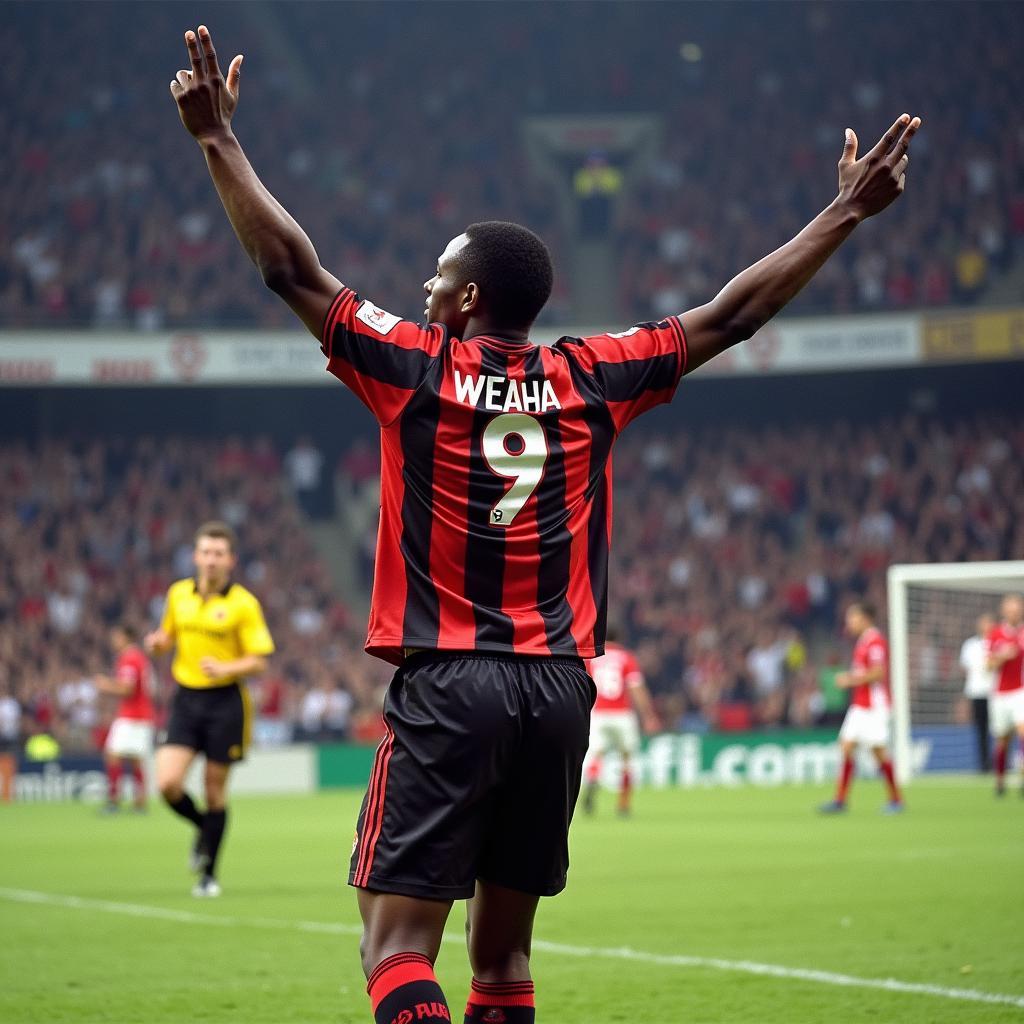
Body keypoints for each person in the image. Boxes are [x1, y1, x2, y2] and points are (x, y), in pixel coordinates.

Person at [169, 24, 919, 1021]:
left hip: (449, 680)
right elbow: (732, 313)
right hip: (561, 691)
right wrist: (842, 212)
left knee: (392, 947)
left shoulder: (415, 365)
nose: (426, 288)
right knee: (505, 960)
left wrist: (218, 142)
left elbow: (291, 271)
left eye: (438, 275)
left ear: (469, 295)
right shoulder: (592, 376)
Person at [144, 520, 274, 898]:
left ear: (231, 560)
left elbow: (260, 660)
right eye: (205, 552)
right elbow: (167, 637)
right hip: (186, 699)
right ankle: (204, 828)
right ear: (195, 556)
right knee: (167, 783)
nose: (211, 560)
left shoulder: (243, 604)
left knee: (214, 791)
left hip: (225, 702)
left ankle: (209, 875)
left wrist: (226, 667)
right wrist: (157, 644)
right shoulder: (178, 594)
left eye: (219, 553)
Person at [820, 601, 904, 814]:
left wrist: (850, 680)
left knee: (879, 752)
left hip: (874, 706)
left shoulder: (875, 641)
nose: (849, 622)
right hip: (860, 705)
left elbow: (878, 673)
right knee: (846, 746)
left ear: (865, 618)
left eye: (853, 617)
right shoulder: (864, 641)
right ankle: (840, 800)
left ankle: (896, 799)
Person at [582, 630, 659, 817]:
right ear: (620, 638)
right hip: (622, 715)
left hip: (599, 714)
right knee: (627, 759)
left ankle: (592, 780)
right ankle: (623, 805)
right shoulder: (626, 658)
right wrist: (649, 716)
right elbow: (636, 688)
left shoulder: (592, 657)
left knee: (595, 756)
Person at [94, 624, 155, 813]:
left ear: (126, 637)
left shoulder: (129, 658)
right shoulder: (139, 658)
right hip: (143, 714)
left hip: (132, 715)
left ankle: (114, 801)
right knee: (136, 758)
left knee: (112, 754)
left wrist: (106, 685)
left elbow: (127, 689)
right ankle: (140, 803)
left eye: (116, 636)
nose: (113, 640)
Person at [984, 594, 1024, 797]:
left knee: (1023, 730)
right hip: (1000, 694)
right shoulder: (996, 634)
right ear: (1004, 611)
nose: (1014, 613)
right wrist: (1003, 655)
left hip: (1021, 691)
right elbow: (988, 665)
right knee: (1002, 739)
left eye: (1017, 609)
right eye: (1010, 610)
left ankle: (1022, 774)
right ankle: (1000, 781)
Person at [959, 613, 995, 773]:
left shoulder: (998, 642)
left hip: (996, 692)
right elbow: (964, 667)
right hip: (977, 692)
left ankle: (1001, 764)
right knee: (981, 729)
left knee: (1000, 730)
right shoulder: (970, 644)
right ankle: (984, 766)